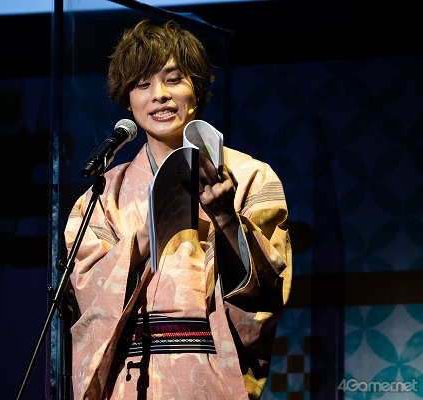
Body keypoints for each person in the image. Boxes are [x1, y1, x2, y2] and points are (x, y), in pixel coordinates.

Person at [63, 19, 292, 400]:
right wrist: (142, 238)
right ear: (127, 99)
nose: (160, 95)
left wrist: (225, 218)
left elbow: (266, 292)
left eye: (174, 80)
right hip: (128, 376)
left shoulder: (251, 176)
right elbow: (83, 292)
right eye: (143, 84)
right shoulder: (104, 195)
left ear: (196, 89)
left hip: (207, 371)